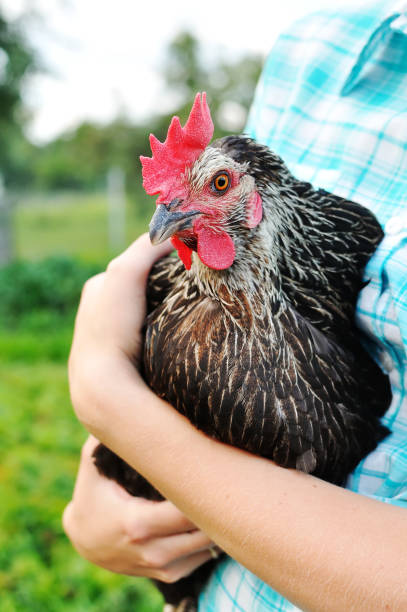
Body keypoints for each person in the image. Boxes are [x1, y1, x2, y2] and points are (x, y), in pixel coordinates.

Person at [64, 2, 407, 610]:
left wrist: (106, 399)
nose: (176, 211)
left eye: (219, 186)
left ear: (256, 200)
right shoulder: (319, 44)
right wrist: (104, 495)